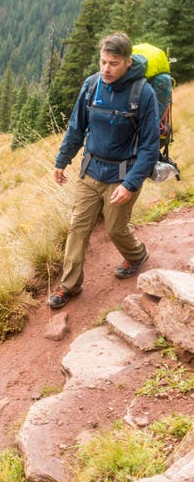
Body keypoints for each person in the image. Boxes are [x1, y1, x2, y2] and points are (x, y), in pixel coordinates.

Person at [49, 32, 160, 309]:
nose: (106, 69)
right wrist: (62, 161)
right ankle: (69, 285)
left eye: (113, 63)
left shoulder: (142, 93)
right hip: (90, 171)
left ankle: (136, 254)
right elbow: (76, 128)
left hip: (122, 175)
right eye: (103, 62)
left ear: (127, 62)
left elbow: (149, 147)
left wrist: (131, 184)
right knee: (78, 228)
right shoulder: (92, 86)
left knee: (115, 229)